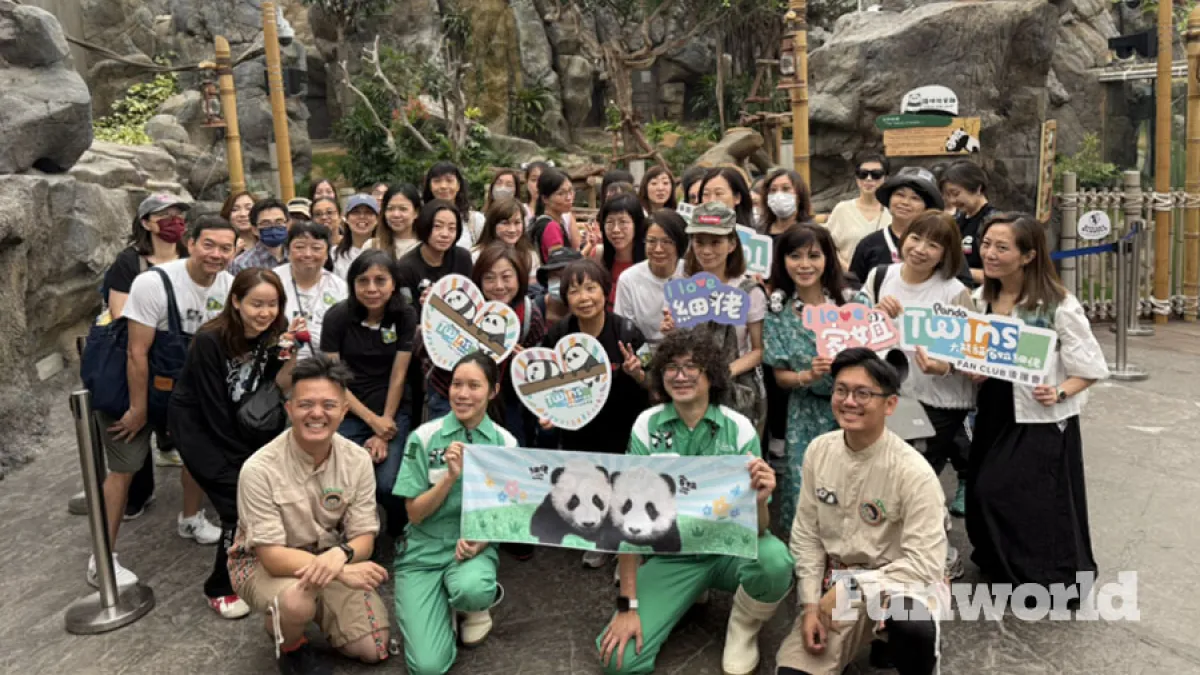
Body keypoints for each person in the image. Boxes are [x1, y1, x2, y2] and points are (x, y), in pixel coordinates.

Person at [597, 329, 792, 675]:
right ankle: (688, 593)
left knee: (776, 560)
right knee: (618, 661)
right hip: (672, 556)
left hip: (729, 549)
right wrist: (627, 605)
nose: (681, 375)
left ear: (711, 375)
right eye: (671, 367)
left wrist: (761, 499)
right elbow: (627, 521)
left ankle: (743, 627)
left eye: (692, 366)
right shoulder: (646, 426)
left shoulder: (740, 428)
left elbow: (759, 528)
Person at [775, 347, 948, 675]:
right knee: (792, 672)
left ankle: (901, 649)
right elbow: (806, 535)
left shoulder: (914, 472)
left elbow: (925, 565)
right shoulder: (819, 451)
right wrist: (811, 604)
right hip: (836, 583)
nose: (849, 401)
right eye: (841, 390)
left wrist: (853, 586)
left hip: (899, 580)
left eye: (863, 393)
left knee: (913, 624)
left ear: (890, 405)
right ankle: (855, 647)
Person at [966, 212, 1107, 590]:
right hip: (994, 409)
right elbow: (979, 355)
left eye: (1001, 247)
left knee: (1026, 496)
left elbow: (1091, 368)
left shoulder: (1058, 304)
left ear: (1028, 255)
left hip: (1041, 415)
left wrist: (1060, 390)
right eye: (985, 244)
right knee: (986, 492)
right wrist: (976, 370)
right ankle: (1004, 568)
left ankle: (1048, 577)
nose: (990, 254)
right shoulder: (981, 298)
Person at [96, 216, 236, 587]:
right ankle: (103, 556)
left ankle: (190, 518)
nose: (216, 254)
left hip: (187, 389)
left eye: (225, 248)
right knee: (125, 466)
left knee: (197, 451)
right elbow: (136, 352)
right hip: (135, 386)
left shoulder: (230, 286)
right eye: (209, 244)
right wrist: (138, 410)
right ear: (191, 243)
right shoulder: (152, 283)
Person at [228, 355, 391, 674]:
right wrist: (340, 570)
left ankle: (308, 609)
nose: (317, 413)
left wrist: (341, 556)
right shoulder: (259, 469)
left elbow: (363, 538)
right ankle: (289, 643)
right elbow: (272, 557)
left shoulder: (357, 460)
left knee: (373, 648)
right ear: (289, 409)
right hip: (261, 565)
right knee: (295, 600)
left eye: (329, 404)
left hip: (327, 556)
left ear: (344, 410)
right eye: (306, 404)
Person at [170, 268, 298, 619]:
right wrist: (246, 460)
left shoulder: (274, 333)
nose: (265, 312)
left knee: (257, 494)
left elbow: (270, 388)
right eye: (256, 303)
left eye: (272, 304)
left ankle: (253, 564)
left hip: (243, 425)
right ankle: (220, 586)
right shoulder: (210, 339)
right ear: (236, 301)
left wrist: (288, 361)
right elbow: (212, 407)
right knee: (235, 505)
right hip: (200, 427)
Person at [393, 352, 514, 674]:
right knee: (427, 667)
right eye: (457, 384)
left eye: (474, 385)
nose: (462, 394)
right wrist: (449, 477)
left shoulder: (506, 443)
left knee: (473, 589)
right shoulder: (424, 437)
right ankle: (439, 606)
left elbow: (509, 517)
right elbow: (414, 513)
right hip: (422, 550)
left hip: (471, 549)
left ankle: (470, 606)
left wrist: (481, 543)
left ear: (493, 391)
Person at [71, 193, 190, 516]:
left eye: (179, 213)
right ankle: (137, 494)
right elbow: (119, 310)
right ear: (147, 222)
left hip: (176, 356)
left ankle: (189, 505)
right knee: (134, 424)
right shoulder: (129, 262)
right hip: (137, 352)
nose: (174, 220)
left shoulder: (189, 255)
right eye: (165, 215)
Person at [863, 210, 973, 517]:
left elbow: (971, 354)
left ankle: (933, 547)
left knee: (916, 479)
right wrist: (874, 311)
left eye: (934, 245)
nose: (921, 249)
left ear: (945, 254)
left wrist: (945, 366)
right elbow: (857, 329)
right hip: (891, 395)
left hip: (938, 402)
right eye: (915, 237)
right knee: (886, 476)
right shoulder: (881, 276)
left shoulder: (954, 292)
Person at [540, 259, 648, 568]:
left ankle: (630, 545)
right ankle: (603, 540)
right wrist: (549, 414)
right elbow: (546, 384)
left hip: (623, 420)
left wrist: (636, 373)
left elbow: (653, 383)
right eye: (574, 291)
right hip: (580, 427)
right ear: (566, 298)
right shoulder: (558, 334)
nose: (584, 298)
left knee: (624, 481)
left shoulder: (627, 331)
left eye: (591, 288)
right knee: (589, 481)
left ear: (605, 291)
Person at [762, 224, 857, 525]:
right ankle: (805, 563)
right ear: (783, 261)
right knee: (804, 487)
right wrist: (809, 375)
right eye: (795, 256)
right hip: (804, 413)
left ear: (828, 258)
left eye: (814, 256)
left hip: (853, 411)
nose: (805, 265)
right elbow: (780, 377)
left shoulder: (852, 304)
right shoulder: (778, 314)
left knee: (853, 486)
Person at [320, 249, 418, 538]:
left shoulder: (405, 315)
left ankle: (400, 529)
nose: (372, 289)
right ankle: (360, 532)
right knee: (347, 480)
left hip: (393, 407)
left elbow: (399, 375)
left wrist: (385, 425)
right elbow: (335, 380)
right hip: (348, 410)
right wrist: (372, 421)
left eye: (380, 280)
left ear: (393, 284)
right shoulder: (337, 317)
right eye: (363, 281)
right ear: (352, 283)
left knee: (388, 484)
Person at [665, 202, 767, 433]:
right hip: (686, 389)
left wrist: (723, 372)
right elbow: (674, 342)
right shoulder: (679, 288)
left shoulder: (748, 290)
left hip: (736, 394)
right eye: (699, 242)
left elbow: (758, 350)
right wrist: (670, 330)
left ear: (732, 244)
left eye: (716, 242)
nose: (706, 250)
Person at [848, 166, 943, 285]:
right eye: (900, 195)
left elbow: (962, 285)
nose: (905, 202)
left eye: (915, 198)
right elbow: (853, 289)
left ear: (927, 207)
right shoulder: (869, 244)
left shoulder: (942, 242)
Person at [613, 209, 687, 343]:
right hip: (643, 355)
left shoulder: (694, 275)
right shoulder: (628, 279)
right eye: (652, 241)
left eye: (667, 242)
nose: (658, 249)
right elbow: (623, 330)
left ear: (680, 243)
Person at [275, 221, 347, 356]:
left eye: (316, 248)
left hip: (325, 365)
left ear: (327, 254)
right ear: (288, 251)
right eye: (300, 247)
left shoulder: (340, 288)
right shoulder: (273, 280)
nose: (307, 254)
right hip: (278, 363)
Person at [394, 199, 474, 311]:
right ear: (424, 225)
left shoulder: (462, 258)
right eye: (437, 226)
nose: (445, 234)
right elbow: (405, 312)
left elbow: (471, 299)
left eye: (451, 228)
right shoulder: (405, 267)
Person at [825, 152, 892, 270]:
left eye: (876, 174)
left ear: (885, 178)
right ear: (857, 178)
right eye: (863, 174)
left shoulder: (893, 212)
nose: (869, 179)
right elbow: (827, 246)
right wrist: (849, 270)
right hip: (848, 280)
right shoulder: (842, 209)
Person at [939, 160, 994, 285]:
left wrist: (960, 271)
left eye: (956, 193)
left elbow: (1001, 273)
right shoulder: (956, 221)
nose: (952, 200)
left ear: (978, 189)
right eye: (948, 195)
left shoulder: (993, 222)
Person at [472, 197, 541, 283]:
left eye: (517, 223)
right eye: (505, 223)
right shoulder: (476, 256)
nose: (512, 229)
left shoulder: (530, 256)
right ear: (492, 225)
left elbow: (534, 290)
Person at [597, 193, 647, 308]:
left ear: (637, 224)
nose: (616, 230)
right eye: (610, 222)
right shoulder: (597, 256)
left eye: (623, 222)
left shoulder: (650, 260)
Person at [423, 161, 484, 248]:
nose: (443, 186)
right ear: (429, 186)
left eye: (449, 180)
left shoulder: (475, 220)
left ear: (458, 185)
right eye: (437, 181)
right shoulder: (419, 219)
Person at [230, 198, 290, 275]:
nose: (273, 227)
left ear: (287, 225)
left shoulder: (296, 256)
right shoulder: (242, 264)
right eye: (266, 223)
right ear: (255, 229)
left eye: (279, 222)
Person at [530, 168, 578, 260]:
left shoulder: (556, 222)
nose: (569, 197)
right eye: (561, 194)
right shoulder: (551, 227)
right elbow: (560, 264)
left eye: (570, 191)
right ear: (545, 199)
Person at [366, 183, 422, 261]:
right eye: (390, 208)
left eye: (403, 209)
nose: (396, 214)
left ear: (416, 212)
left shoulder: (426, 247)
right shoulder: (372, 246)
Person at [332, 194, 379, 279]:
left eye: (368, 212)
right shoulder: (334, 254)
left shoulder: (387, 250)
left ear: (377, 219)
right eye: (356, 212)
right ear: (346, 218)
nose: (362, 216)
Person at [536, 247, 583, 326]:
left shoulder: (587, 308)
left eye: (566, 275)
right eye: (554, 276)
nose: (561, 282)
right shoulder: (535, 310)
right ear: (547, 279)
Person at [759, 169, 812, 238]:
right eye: (773, 190)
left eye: (786, 188)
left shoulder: (811, 233)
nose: (778, 195)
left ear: (799, 194)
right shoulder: (760, 233)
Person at [222, 191, 257, 255]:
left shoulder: (268, 241)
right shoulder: (220, 243)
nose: (242, 214)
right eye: (235, 209)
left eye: (249, 208)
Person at [523, 161, 551, 226]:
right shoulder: (520, 211)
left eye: (543, 179)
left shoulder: (562, 213)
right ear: (526, 182)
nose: (538, 184)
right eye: (534, 180)